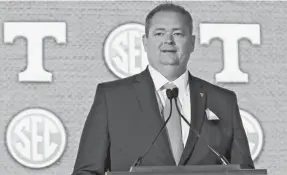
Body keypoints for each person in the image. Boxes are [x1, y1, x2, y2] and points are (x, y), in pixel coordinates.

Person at [71, 3, 254, 175]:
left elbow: (244, 171)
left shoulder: (223, 101)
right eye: (159, 33)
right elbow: (86, 171)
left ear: (192, 43)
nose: (168, 40)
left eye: (178, 34)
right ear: (145, 41)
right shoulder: (111, 98)